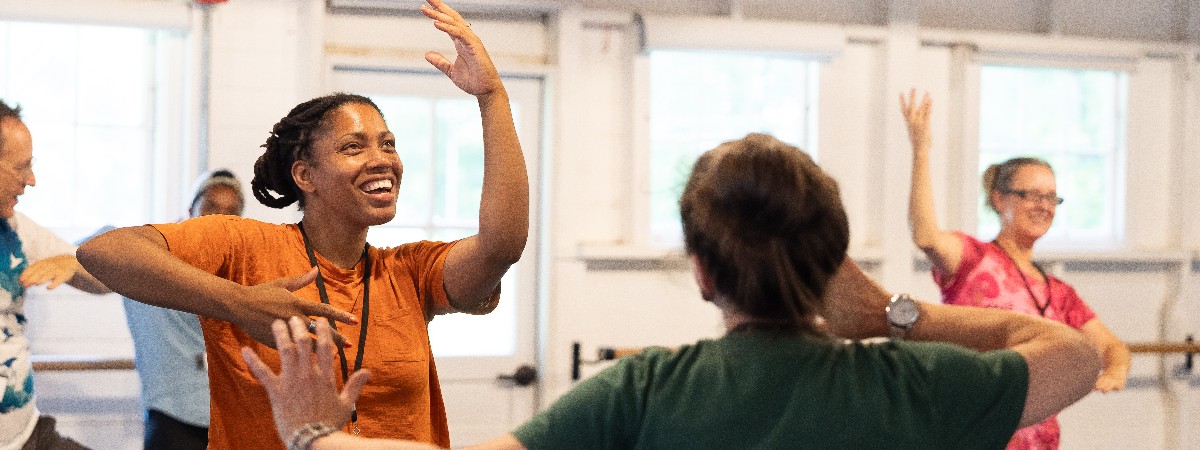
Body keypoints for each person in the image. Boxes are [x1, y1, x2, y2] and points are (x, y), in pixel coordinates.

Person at [243, 133, 1102, 450]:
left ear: (700, 271)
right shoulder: (913, 385)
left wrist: (314, 434)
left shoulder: (642, 392)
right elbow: (1071, 355)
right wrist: (892, 315)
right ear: (834, 258)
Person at [75, 0, 529, 448]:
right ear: (305, 175)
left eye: (388, 144)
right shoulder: (243, 246)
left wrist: (492, 98)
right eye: (354, 147)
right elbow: (103, 253)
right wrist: (237, 303)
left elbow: (501, 246)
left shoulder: (410, 272)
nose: (382, 160)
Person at [899, 89, 1130, 449]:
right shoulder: (972, 259)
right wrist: (921, 151)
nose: (1044, 205)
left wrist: (1115, 371)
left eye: (1051, 197)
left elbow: (1112, 346)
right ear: (999, 199)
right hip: (976, 433)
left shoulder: (1059, 292)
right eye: (1031, 195)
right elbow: (926, 235)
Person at [0, 99, 111, 448]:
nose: (31, 180)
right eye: (21, 167)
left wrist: (77, 264)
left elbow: (106, 280)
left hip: (28, 435)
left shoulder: (17, 229)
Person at [121, 169, 245, 450]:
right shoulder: (153, 260)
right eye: (210, 208)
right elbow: (98, 255)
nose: (219, 220)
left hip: (231, 419)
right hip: (172, 419)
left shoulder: (245, 274)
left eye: (231, 213)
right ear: (190, 211)